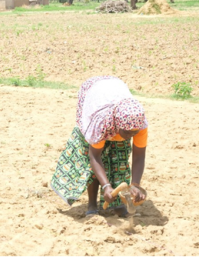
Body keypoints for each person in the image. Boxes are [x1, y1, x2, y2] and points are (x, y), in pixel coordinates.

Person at [50, 76, 148, 218]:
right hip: (96, 97)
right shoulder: (100, 123)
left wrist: (136, 184)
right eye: (126, 132)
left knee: (119, 160)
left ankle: (118, 205)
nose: (130, 136)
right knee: (93, 167)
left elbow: (139, 155)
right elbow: (94, 157)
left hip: (114, 95)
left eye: (134, 133)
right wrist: (106, 186)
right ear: (117, 124)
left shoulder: (138, 124)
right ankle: (92, 204)